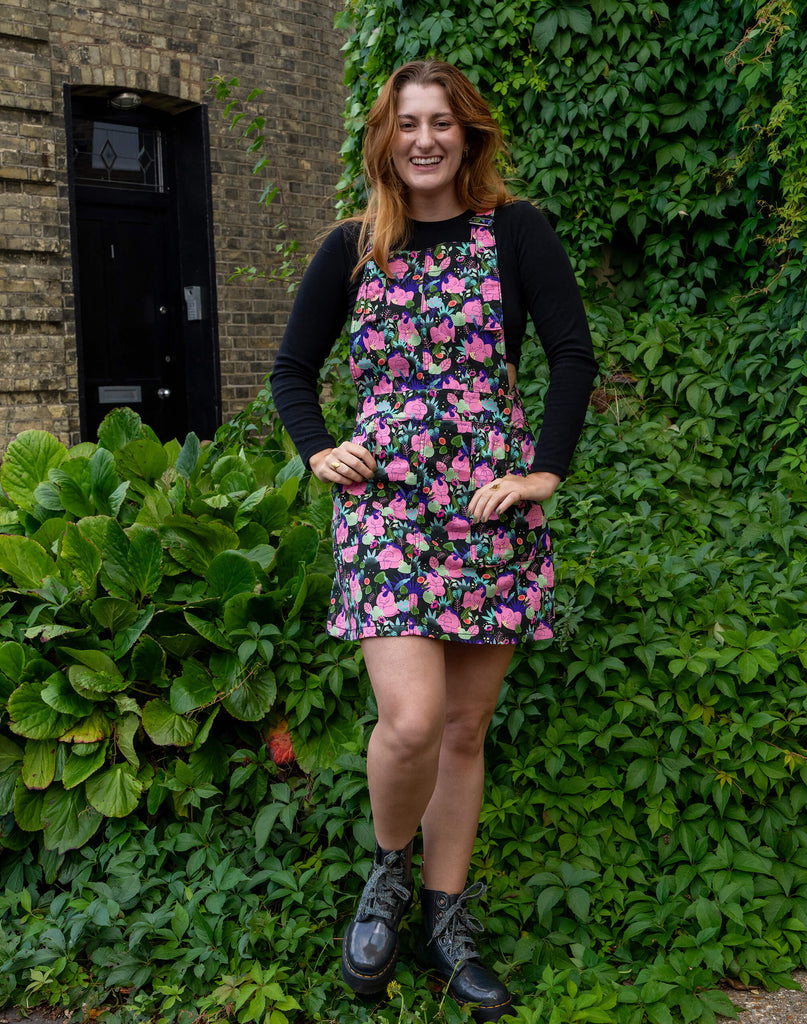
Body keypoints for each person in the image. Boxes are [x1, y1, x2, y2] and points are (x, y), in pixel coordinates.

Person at [270, 60, 597, 1022]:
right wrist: (318, 450)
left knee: (463, 730)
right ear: (384, 137)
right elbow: (292, 369)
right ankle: (387, 878)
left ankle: (447, 923)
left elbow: (572, 353)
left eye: (441, 123)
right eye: (407, 123)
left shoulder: (515, 232)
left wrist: (545, 470)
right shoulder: (352, 246)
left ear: (468, 135)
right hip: (386, 510)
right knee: (410, 720)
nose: (424, 140)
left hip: (488, 509)